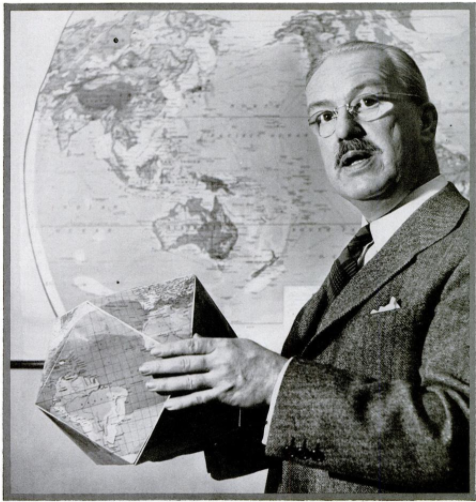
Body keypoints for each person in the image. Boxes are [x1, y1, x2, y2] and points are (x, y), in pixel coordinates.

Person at [138, 41, 470, 493]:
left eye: (368, 102)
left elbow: (455, 438)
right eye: (324, 117)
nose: (344, 130)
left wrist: (275, 380)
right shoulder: (362, 254)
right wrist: (194, 405)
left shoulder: (465, 243)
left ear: (426, 121)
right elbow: (307, 429)